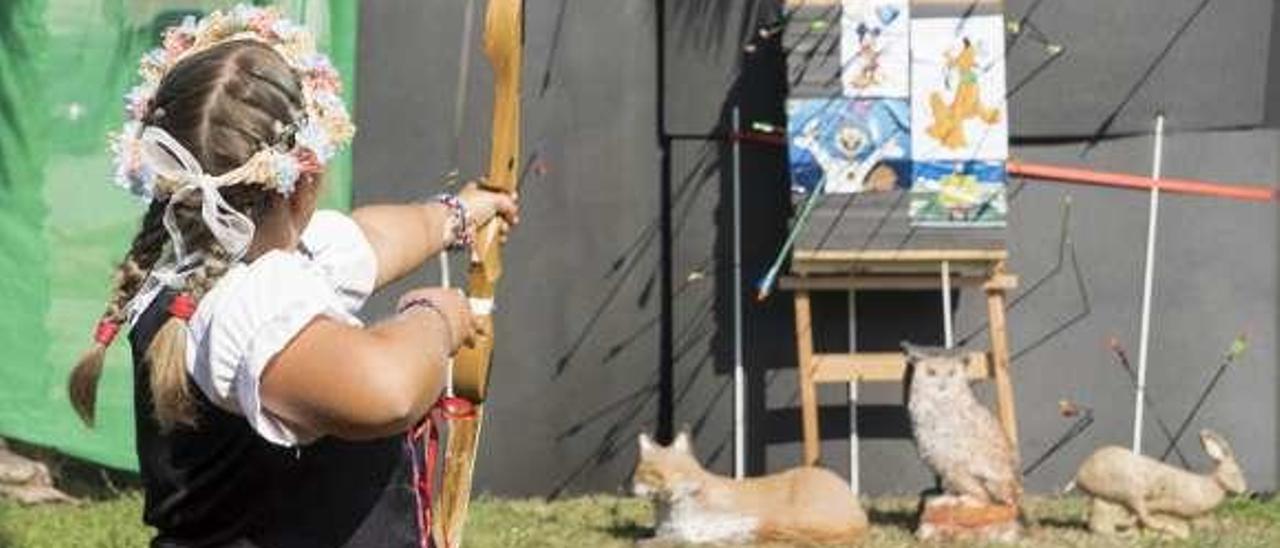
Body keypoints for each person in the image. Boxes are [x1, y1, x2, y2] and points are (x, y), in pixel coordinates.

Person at [65, 6, 516, 547]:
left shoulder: (206, 266)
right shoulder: (243, 306)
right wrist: (436, 318)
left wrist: (458, 215)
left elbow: (370, 239)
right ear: (303, 182)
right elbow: (389, 391)